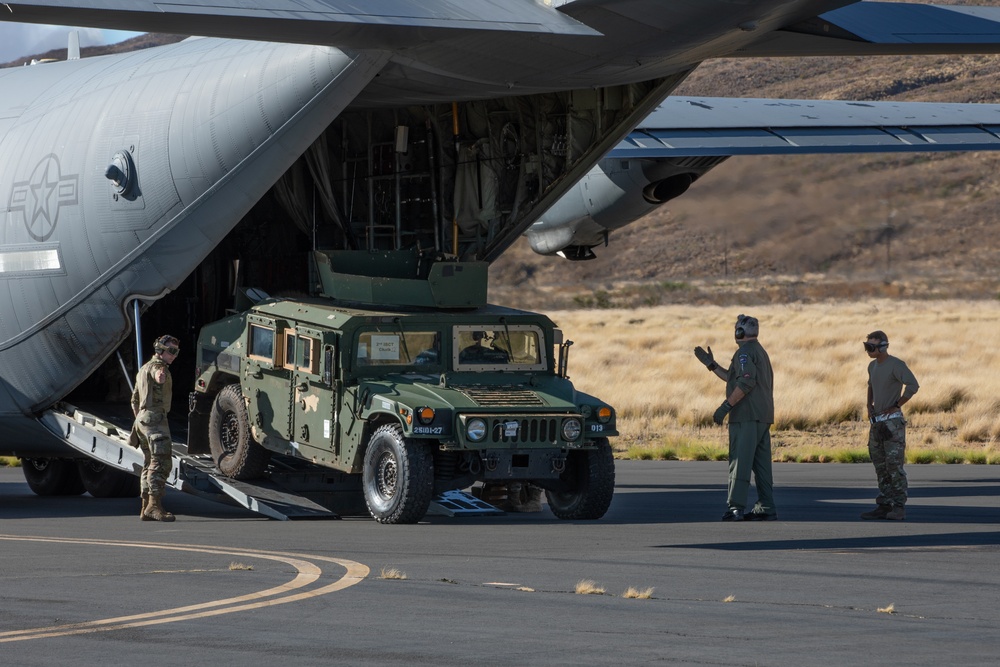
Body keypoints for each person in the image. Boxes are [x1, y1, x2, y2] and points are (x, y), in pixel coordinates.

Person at [694, 314, 776, 521]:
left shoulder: (744, 354)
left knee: (739, 460)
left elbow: (746, 383)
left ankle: (735, 507)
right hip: (763, 415)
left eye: (736, 327)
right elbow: (734, 378)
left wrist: (725, 407)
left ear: (739, 332)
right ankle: (766, 506)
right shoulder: (758, 351)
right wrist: (712, 365)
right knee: (761, 465)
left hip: (746, 416)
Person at [860, 330, 919, 521]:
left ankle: (898, 507)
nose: (868, 350)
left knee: (894, 467)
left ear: (883, 347)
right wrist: (869, 405)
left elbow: (913, 385)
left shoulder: (896, 365)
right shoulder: (872, 366)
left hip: (892, 423)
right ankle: (884, 505)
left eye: (871, 347)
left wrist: (896, 405)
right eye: (866, 346)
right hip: (876, 423)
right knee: (880, 466)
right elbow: (870, 385)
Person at [130, 334, 180, 522]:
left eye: (176, 351)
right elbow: (158, 376)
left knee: (149, 463)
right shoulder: (159, 368)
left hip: (143, 420)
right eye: (171, 351)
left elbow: (134, 399)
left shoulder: (142, 369)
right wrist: (161, 376)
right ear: (160, 350)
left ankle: (145, 507)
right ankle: (154, 506)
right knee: (161, 463)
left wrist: (141, 419)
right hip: (155, 421)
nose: (174, 355)